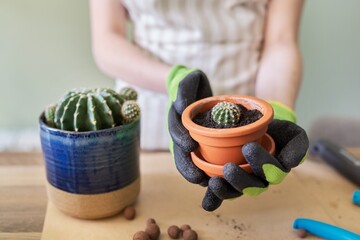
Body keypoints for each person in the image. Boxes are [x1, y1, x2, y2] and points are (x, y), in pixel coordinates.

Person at [90, 0, 309, 210]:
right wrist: (174, 79)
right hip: (149, 120)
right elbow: (107, 40)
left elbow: (281, 41)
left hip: (248, 121)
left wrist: (275, 110)